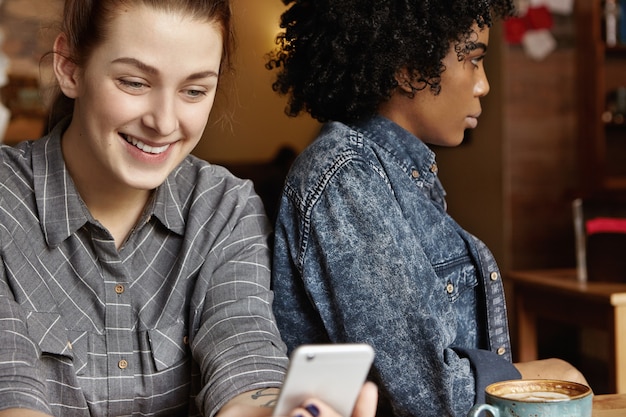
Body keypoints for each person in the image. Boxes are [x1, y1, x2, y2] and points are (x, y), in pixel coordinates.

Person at [0, 1, 379, 416]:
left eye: (194, 91)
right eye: (134, 82)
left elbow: (244, 349)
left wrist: (278, 411)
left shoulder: (224, 207)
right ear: (70, 68)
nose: (164, 123)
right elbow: (11, 386)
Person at [266, 1, 588, 416]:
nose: (483, 85)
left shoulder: (399, 176)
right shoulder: (346, 177)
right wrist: (534, 378)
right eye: (472, 60)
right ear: (408, 68)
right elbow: (431, 399)